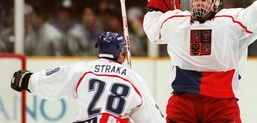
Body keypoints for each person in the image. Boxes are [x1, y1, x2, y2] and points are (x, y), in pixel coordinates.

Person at [11, 31, 165, 122]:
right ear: (120, 54)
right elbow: (151, 116)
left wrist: (28, 80)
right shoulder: (133, 78)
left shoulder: (84, 70)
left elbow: (55, 80)